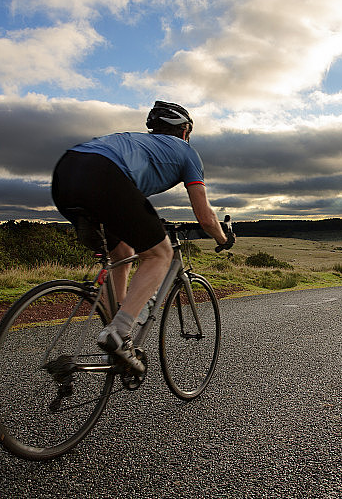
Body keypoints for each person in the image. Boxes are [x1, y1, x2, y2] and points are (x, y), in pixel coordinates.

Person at [51, 101, 234, 373]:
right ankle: (119, 333)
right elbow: (205, 217)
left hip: (65, 173)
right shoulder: (187, 152)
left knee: (122, 253)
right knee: (160, 254)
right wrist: (223, 239)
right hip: (104, 175)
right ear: (185, 131)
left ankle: (115, 337)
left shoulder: (135, 143)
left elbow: (128, 203)